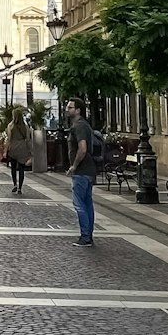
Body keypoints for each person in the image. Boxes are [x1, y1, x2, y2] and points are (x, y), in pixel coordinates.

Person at [66, 98, 99, 247]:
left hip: (82, 171)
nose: (67, 109)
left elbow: (83, 148)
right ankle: (88, 235)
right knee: (87, 204)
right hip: (90, 170)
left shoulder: (79, 127)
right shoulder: (85, 125)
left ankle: (85, 237)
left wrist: (74, 166)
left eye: (70, 107)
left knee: (80, 204)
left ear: (78, 110)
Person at [4, 108, 34, 195]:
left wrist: (6, 150)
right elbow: (28, 139)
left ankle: (15, 184)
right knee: (21, 169)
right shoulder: (25, 126)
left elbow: (8, 139)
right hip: (22, 148)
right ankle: (20, 187)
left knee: (13, 168)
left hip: (13, 147)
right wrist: (30, 151)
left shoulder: (10, 126)